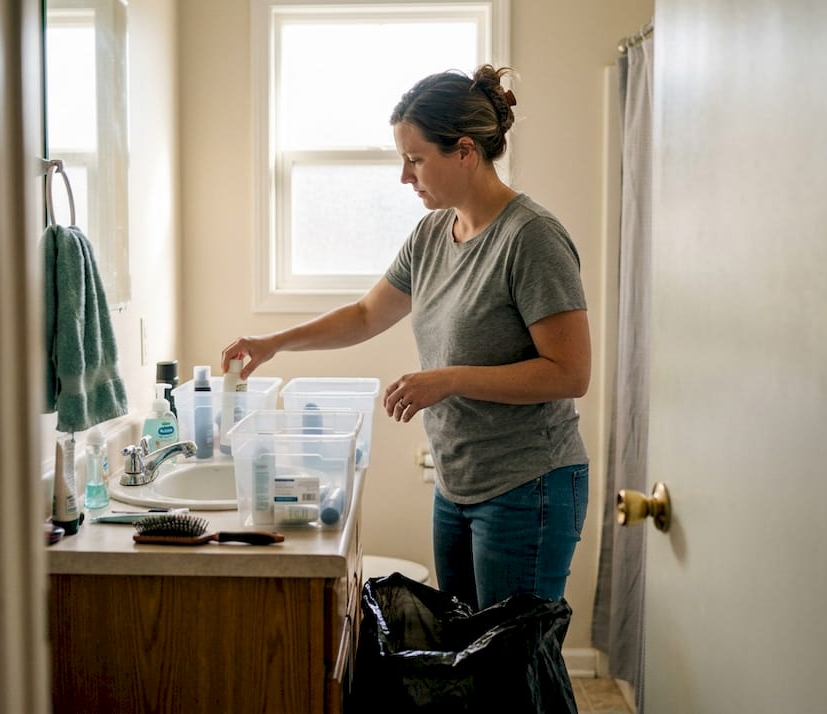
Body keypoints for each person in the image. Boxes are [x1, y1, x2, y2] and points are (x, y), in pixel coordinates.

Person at [221, 65, 590, 611]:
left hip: (529, 484)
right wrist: (275, 342)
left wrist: (447, 380)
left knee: (514, 670)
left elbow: (570, 374)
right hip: (457, 484)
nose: (404, 177)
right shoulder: (433, 232)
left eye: (415, 160)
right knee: (465, 659)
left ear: (465, 151)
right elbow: (367, 314)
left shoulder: (530, 238)